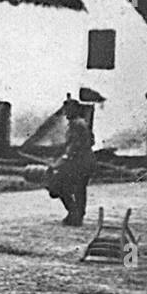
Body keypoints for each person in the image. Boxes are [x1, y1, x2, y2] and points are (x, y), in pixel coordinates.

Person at [50, 97, 94, 226]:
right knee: (79, 189)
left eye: (68, 110)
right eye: (65, 110)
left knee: (58, 185)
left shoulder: (76, 124)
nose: (66, 113)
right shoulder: (81, 123)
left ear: (75, 110)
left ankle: (75, 214)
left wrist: (62, 160)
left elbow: (76, 145)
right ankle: (76, 215)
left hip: (79, 161)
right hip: (84, 160)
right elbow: (90, 141)